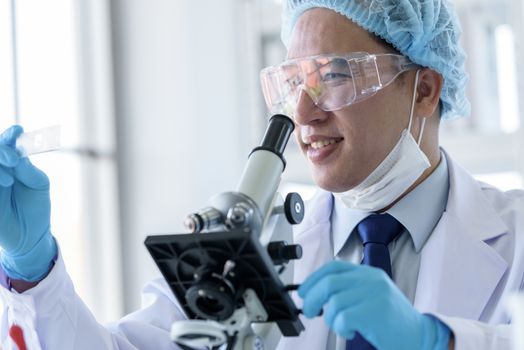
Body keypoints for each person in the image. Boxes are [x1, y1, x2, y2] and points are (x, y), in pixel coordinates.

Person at [0, 0, 523, 349]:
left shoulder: (514, 237)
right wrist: (34, 268)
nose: (304, 112)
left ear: (425, 90)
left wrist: (436, 339)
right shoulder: (258, 247)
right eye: (293, 81)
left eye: (335, 75)